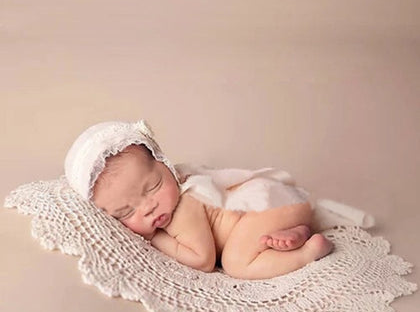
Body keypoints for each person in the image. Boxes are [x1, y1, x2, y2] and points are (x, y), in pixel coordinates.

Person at [64, 120, 333, 280]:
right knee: (247, 242)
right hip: (278, 209)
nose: (148, 208)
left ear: (167, 165)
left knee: (236, 263)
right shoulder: (168, 200)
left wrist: (154, 237)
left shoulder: (184, 205)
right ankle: (294, 231)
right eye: (126, 211)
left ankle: (307, 252)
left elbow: (203, 260)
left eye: (153, 187)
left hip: (268, 207)